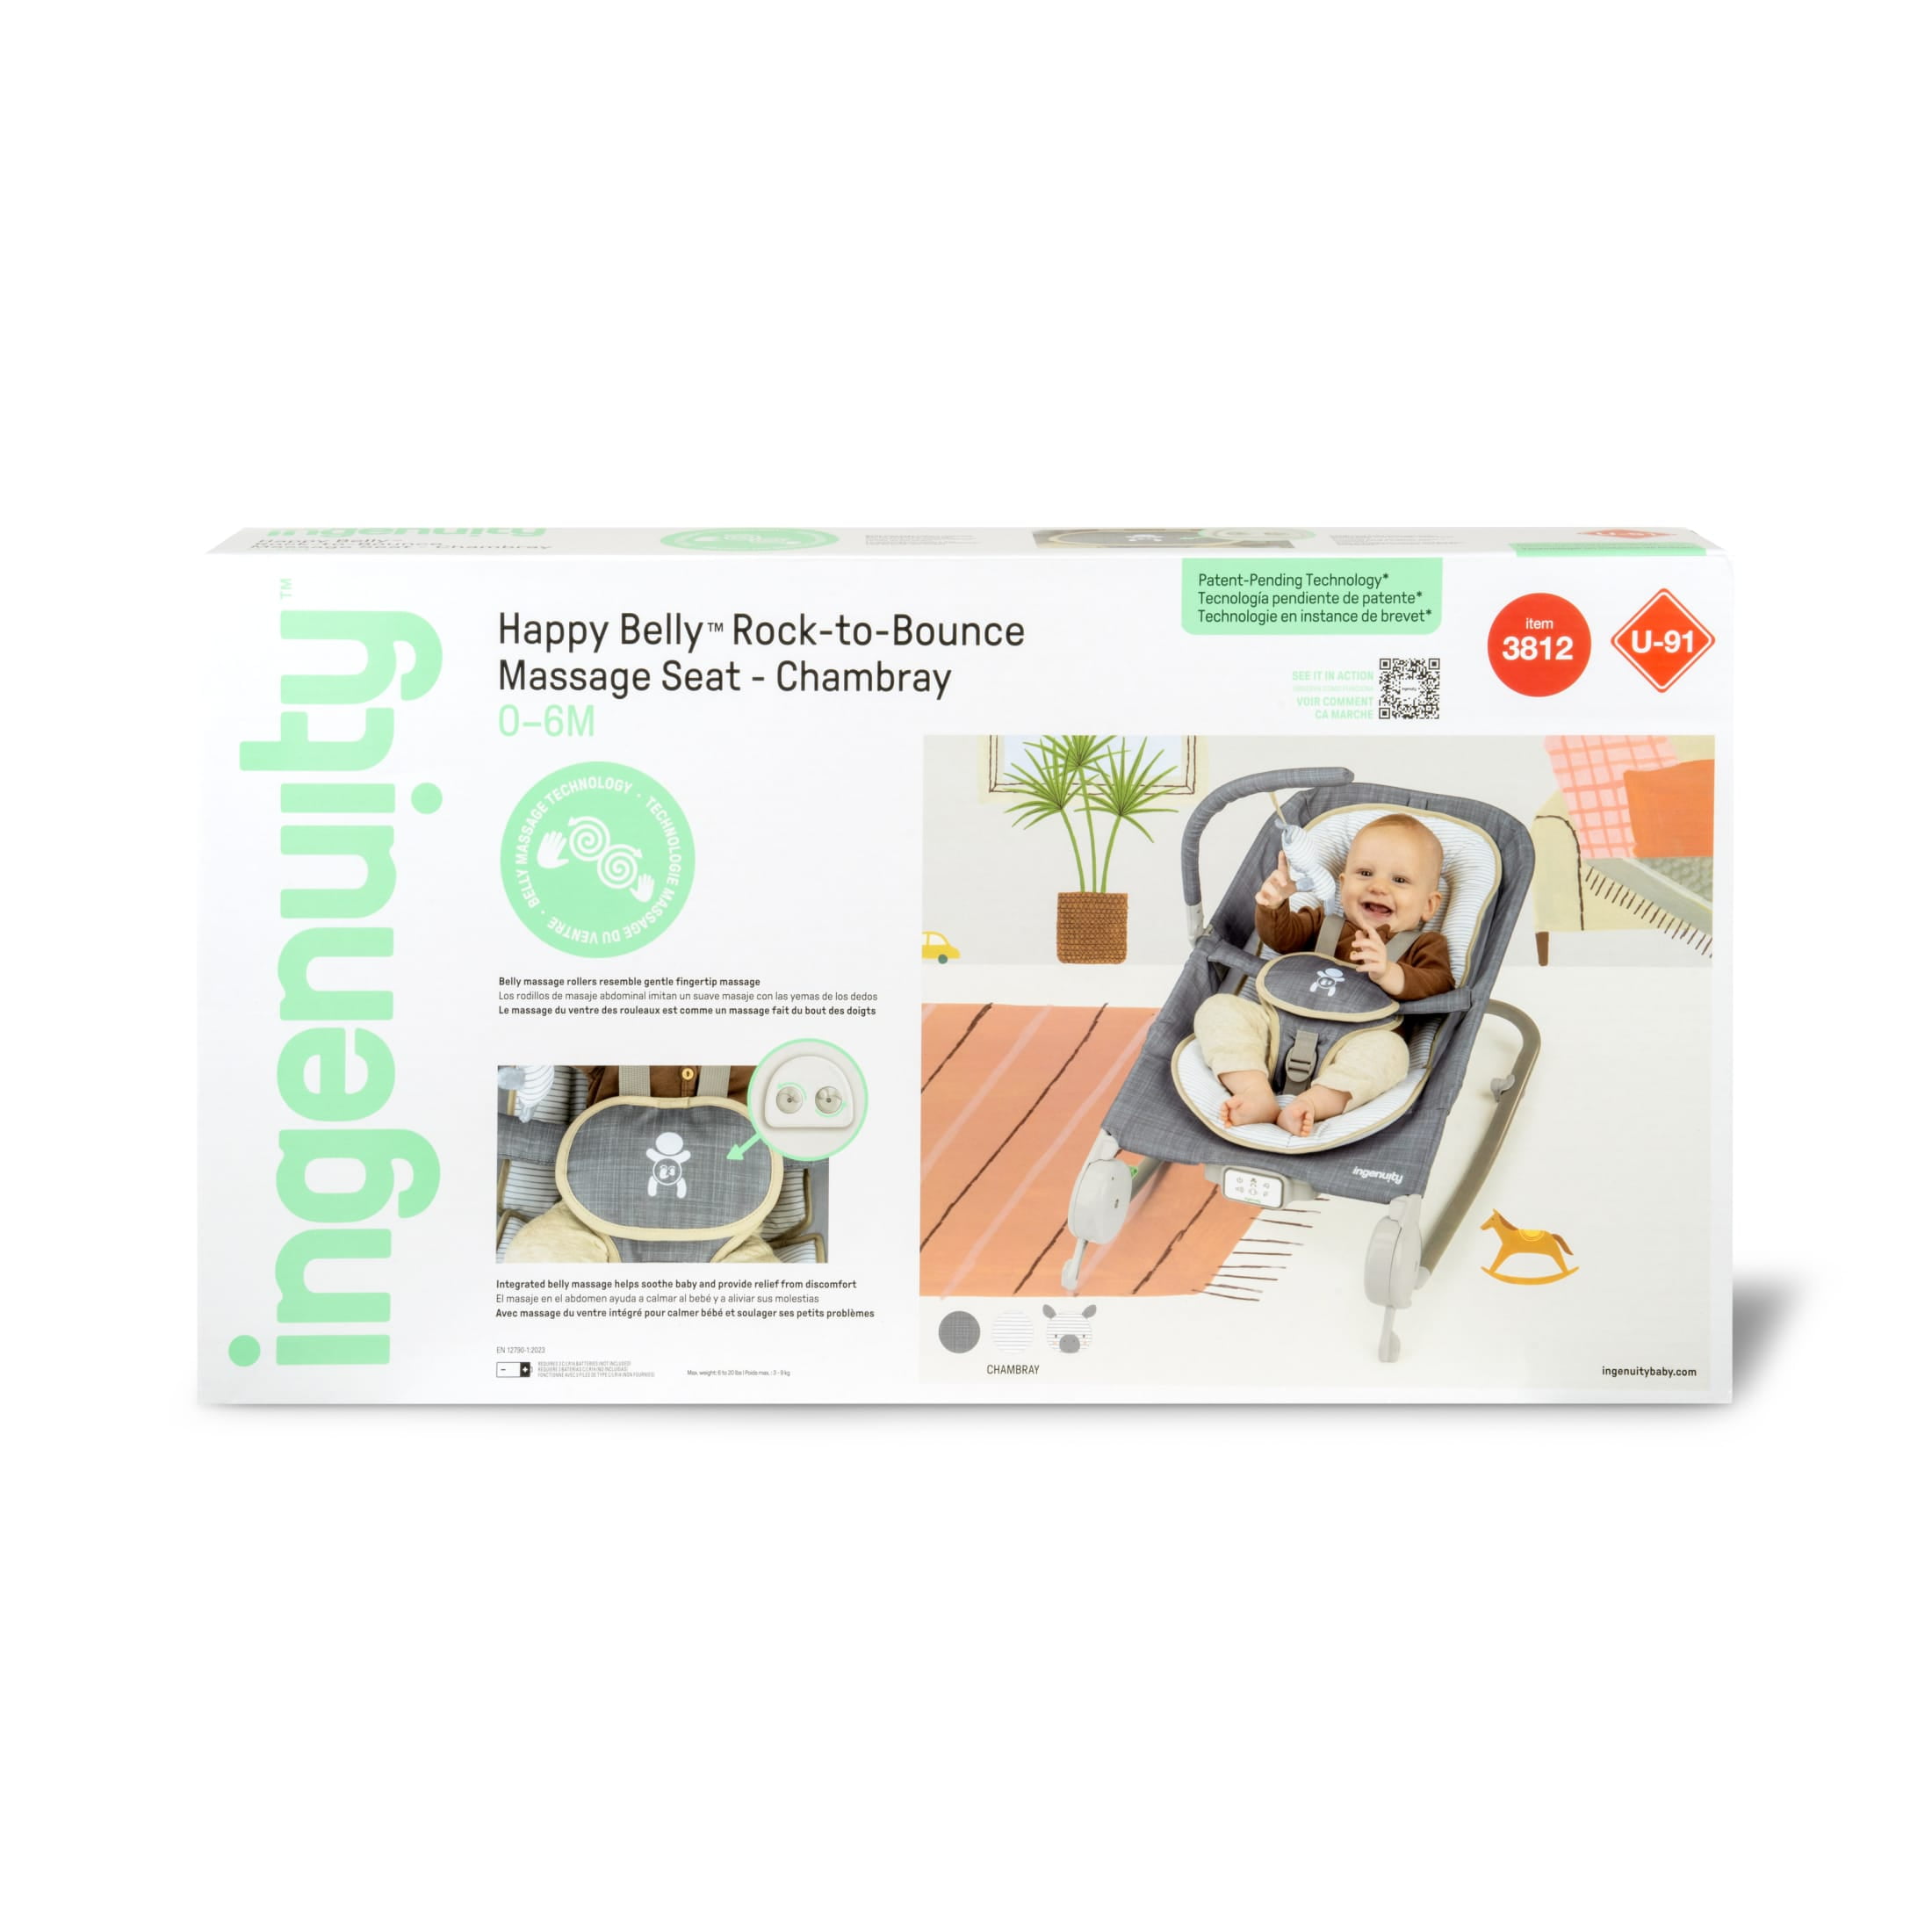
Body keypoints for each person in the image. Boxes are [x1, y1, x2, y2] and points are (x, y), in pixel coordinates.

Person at [1195, 813, 1454, 1136]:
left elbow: (1438, 983)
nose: (1378, 887)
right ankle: (1253, 1089)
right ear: (1343, 885)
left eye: (1399, 880)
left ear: (1429, 906)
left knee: (1392, 1053)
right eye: (1365, 873)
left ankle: (1314, 1104)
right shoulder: (1324, 922)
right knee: (1219, 1009)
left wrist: (1389, 973)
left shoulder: (1424, 945)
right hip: (1275, 1031)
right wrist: (1275, 907)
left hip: (1351, 1049)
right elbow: (1282, 939)